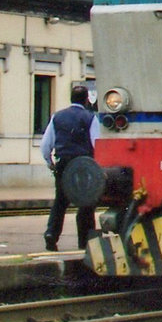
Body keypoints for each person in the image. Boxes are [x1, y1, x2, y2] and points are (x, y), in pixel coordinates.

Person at [41, 83, 99, 251]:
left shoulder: (57, 117)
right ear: (87, 100)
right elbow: (96, 143)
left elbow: (46, 144)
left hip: (63, 163)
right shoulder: (90, 118)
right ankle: (84, 240)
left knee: (60, 201)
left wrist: (50, 162)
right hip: (83, 165)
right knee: (86, 203)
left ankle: (51, 234)